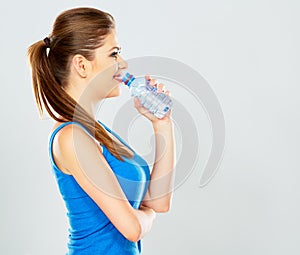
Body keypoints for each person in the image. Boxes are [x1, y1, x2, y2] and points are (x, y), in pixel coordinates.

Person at [27, 7, 175, 255]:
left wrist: (162, 124)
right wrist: (146, 214)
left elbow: (159, 201)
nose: (123, 63)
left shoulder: (97, 133)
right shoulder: (71, 137)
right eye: (114, 54)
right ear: (82, 65)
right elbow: (132, 229)